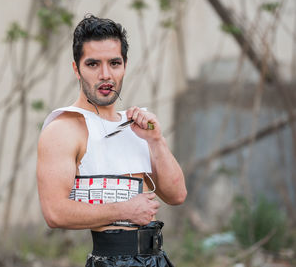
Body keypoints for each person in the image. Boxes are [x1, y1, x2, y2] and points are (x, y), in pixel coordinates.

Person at [36, 14, 187, 267]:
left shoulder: (137, 126)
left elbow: (177, 195)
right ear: (76, 68)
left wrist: (156, 140)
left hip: (156, 260)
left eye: (114, 63)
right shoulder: (63, 128)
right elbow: (54, 213)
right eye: (93, 64)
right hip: (110, 261)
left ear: (125, 65)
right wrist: (124, 210)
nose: (106, 75)